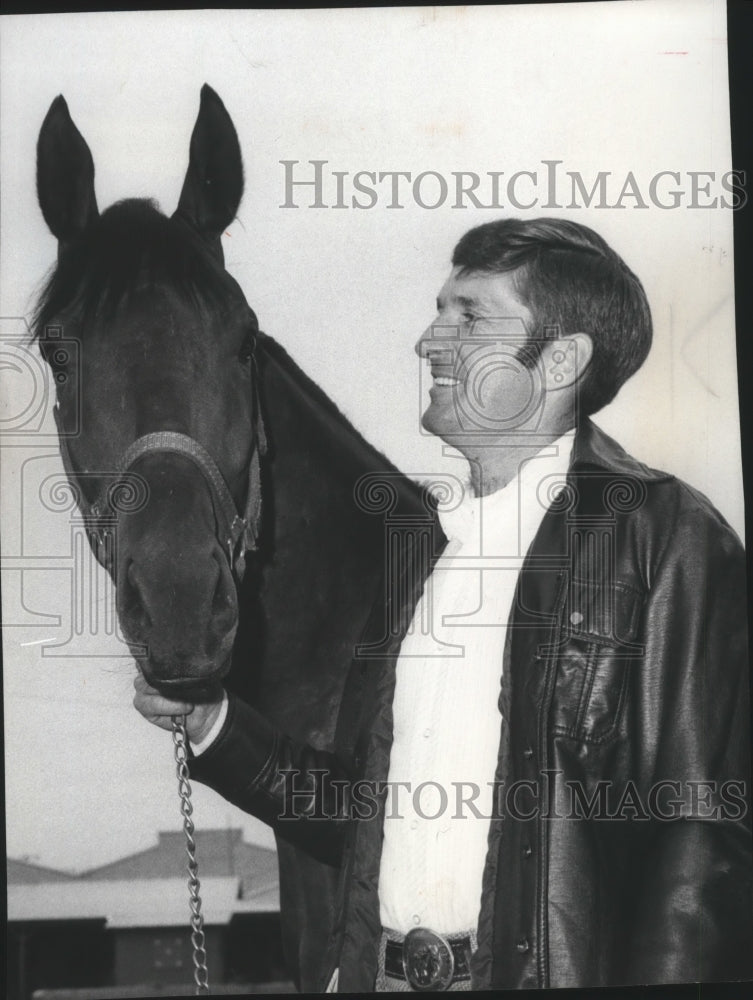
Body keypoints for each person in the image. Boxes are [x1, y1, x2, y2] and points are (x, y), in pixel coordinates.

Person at [134, 218, 753, 991]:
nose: (428, 341)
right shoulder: (423, 552)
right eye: (438, 311)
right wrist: (215, 726)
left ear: (558, 360)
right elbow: (365, 816)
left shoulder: (669, 539)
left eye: (467, 316)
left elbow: (698, 839)